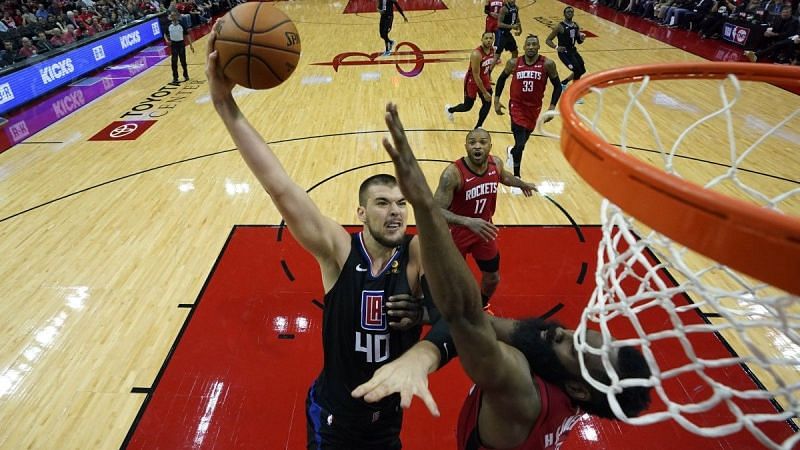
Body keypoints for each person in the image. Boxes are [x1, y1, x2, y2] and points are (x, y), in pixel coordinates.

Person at [205, 30, 453, 450]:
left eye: (400, 203)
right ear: (360, 214)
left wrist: (425, 327)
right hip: (334, 420)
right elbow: (280, 187)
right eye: (381, 203)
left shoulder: (415, 253)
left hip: (387, 422)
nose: (395, 211)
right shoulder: (339, 251)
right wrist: (225, 105)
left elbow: (461, 317)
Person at [356, 102, 653, 450]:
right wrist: (428, 315)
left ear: (577, 388)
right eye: (580, 333)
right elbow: (483, 321)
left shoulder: (519, 389)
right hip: (466, 233)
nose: (561, 331)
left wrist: (422, 204)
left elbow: (467, 317)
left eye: (572, 345)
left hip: (474, 235)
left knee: (489, 281)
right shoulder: (567, 378)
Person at [433, 128, 537, 310]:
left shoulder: (495, 163)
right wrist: (467, 221)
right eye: (472, 142)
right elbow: (435, 211)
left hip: (484, 230)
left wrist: (521, 184)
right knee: (455, 281)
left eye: (482, 142)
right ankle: (451, 315)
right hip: (456, 233)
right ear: (466, 146)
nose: (477, 146)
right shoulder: (452, 174)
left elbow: (504, 177)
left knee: (492, 278)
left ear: (490, 145)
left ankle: (480, 306)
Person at [494, 35, 562, 180]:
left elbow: (557, 86)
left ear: (538, 47)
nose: (531, 47)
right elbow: (501, 79)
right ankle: (517, 175)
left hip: (534, 108)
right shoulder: (514, 63)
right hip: (516, 106)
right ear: (524, 47)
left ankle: (512, 152)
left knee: (522, 143)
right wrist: (496, 100)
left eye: (534, 44)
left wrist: (551, 107)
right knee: (520, 143)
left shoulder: (547, 64)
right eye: (528, 44)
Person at [445, 31, 495, 129]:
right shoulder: (476, 54)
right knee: (467, 107)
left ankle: (478, 126)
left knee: (487, 103)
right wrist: (484, 92)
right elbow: (476, 75)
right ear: (482, 40)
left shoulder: (492, 50)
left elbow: (487, 66)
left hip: (484, 79)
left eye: (491, 38)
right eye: (486, 38)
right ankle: (450, 110)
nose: (489, 40)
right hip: (472, 81)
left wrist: (489, 77)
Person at [545, 7, 586, 94]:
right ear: (564, 14)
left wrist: (582, 38)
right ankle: (575, 92)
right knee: (577, 70)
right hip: (564, 53)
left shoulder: (576, 25)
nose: (570, 13)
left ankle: (563, 83)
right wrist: (556, 47)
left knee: (582, 70)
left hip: (573, 51)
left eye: (571, 12)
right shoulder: (560, 26)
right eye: (568, 12)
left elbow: (579, 41)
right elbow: (548, 40)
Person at [165, 10, 194, 85]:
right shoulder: (168, 25)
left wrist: (191, 45)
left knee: (183, 61)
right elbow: (165, 34)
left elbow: (187, 35)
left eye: (174, 16)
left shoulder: (182, 24)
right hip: (174, 44)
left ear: (177, 17)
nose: (173, 17)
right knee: (174, 61)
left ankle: (186, 75)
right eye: (172, 16)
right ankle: (175, 77)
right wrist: (167, 40)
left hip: (181, 44)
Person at [493, 0, 522, 65]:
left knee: (515, 52)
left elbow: (517, 18)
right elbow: (499, 24)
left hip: (507, 33)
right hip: (501, 33)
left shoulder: (516, 8)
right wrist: (511, 26)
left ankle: (512, 69)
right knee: (497, 56)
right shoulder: (504, 9)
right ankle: (488, 73)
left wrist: (520, 29)